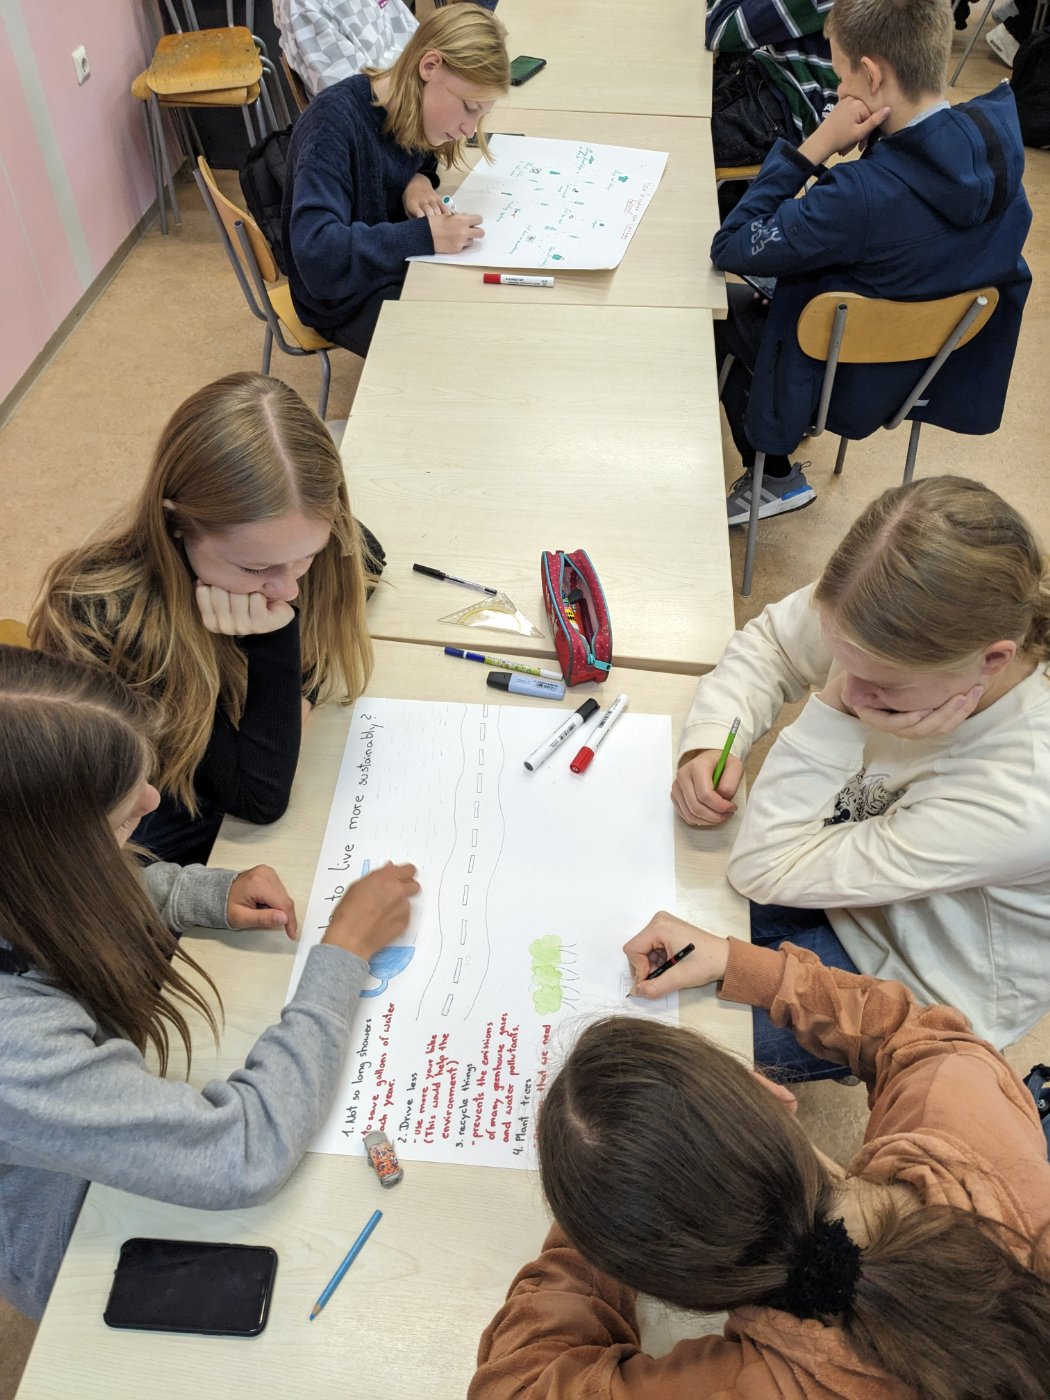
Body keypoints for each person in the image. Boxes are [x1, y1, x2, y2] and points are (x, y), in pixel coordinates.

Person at [0, 645, 420, 1320]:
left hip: (116, 1146)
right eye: (119, 817)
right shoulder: (15, 1047)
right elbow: (242, 1152)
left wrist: (195, 894)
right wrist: (343, 953)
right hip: (80, 1244)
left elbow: (76, 891)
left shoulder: (22, 882)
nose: (153, 800)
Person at [471, 932, 1050, 1399]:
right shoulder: (959, 1101)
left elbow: (515, 1387)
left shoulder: (760, 1385)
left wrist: (605, 1205)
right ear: (765, 1097)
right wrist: (742, 964)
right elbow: (912, 1031)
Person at [671, 475, 1050, 1078]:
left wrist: (835, 712)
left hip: (913, 968)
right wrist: (714, 739)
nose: (851, 687)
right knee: (647, 916)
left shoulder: (1026, 794)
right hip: (823, 856)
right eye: (842, 663)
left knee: (677, 1045)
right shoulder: (884, 597)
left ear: (994, 659)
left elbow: (761, 868)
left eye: (880, 685)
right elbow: (773, 643)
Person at [30, 372, 377, 866]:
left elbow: (368, 554)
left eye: (309, 554)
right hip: (166, 837)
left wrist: (296, 693)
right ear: (176, 523)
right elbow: (257, 797)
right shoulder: (107, 622)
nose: (289, 589)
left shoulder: (283, 541)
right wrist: (277, 641)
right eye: (254, 568)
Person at [710, 0, 1032, 527]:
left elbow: (730, 243)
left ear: (872, 74)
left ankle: (775, 479)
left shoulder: (856, 198)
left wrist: (817, 144)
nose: (838, 91)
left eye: (841, 76)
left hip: (843, 381)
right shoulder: (997, 141)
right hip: (928, 373)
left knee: (717, 307)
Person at [282, 4, 510, 358]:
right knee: (462, 351)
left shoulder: (413, 107)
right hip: (343, 298)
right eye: (468, 107)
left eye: (481, 115)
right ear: (429, 66)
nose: (469, 130)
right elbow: (318, 255)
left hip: (390, 265)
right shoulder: (332, 125)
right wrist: (423, 237)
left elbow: (419, 156)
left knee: (496, 308)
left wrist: (418, 179)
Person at [274, 0, 419, 100]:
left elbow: (414, 34)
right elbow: (357, 99)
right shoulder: (301, 6)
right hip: (391, 116)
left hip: (413, 85)